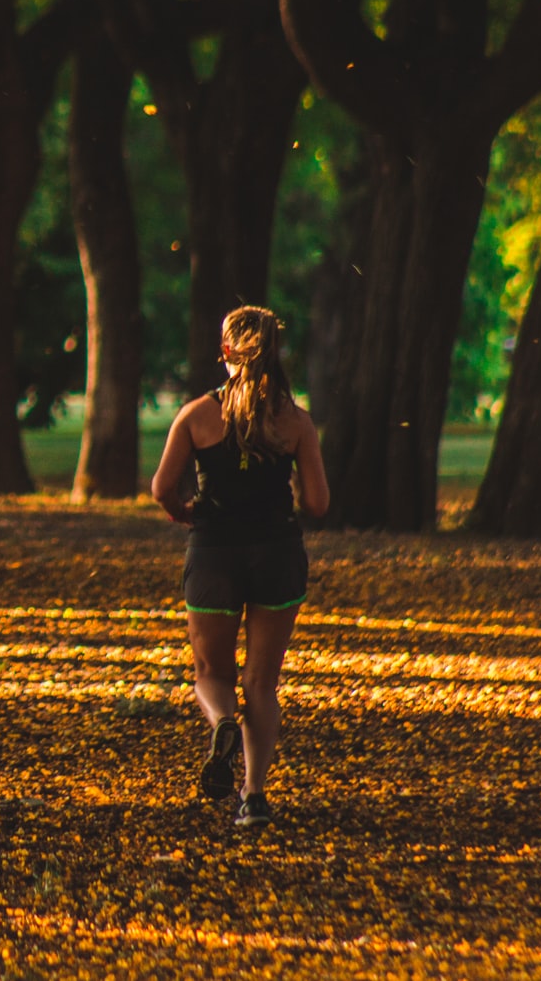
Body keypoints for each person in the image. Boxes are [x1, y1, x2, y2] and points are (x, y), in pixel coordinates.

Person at [150, 306, 329, 829]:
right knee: (262, 683)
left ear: (227, 351)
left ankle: (222, 721)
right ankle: (253, 796)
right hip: (276, 554)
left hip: (213, 553)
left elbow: (162, 487)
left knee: (211, 673)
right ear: (276, 350)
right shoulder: (296, 422)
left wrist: (184, 514)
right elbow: (318, 503)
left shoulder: (197, 415)